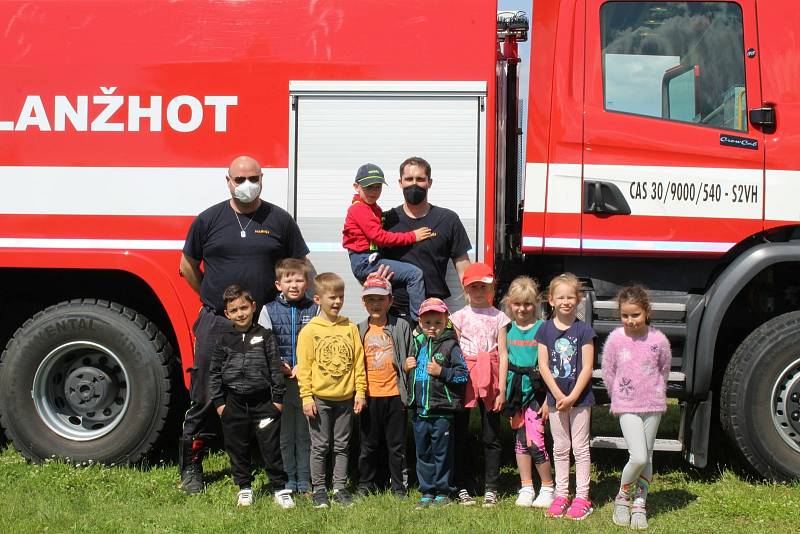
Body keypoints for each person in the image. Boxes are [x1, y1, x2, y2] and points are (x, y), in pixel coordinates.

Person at [178, 155, 310, 494]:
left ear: (262, 179)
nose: (246, 184)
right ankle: (192, 467)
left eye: (253, 177)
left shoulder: (279, 220)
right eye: (239, 179)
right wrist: (211, 298)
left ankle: (271, 466)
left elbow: (299, 265)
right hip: (217, 322)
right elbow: (188, 265)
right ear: (228, 181)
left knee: (266, 393)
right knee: (206, 393)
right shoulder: (208, 220)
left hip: (263, 326)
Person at [208, 285, 293, 508]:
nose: (240, 313)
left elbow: (276, 369)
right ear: (227, 314)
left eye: (244, 308)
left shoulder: (265, 336)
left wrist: (277, 401)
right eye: (234, 310)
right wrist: (220, 404)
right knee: (237, 448)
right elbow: (214, 372)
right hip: (233, 404)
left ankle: (279, 488)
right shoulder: (224, 339)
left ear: (253, 307)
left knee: (271, 447)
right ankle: (244, 487)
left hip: (265, 403)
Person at [602, 286, 671, 530]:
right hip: (627, 405)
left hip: (652, 404)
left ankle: (640, 501)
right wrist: (619, 397)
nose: (630, 321)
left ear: (647, 312)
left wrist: (655, 393)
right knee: (638, 455)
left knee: (648, 457)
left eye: (635, 315)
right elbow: (608, 371)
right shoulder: (615, 340)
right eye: (625, 315)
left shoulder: (658, 340)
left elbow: (664, 369)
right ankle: (623, 497)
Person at [296, 272, 367, 509]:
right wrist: (306, 396)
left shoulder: (350, 328)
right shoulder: (309, 331)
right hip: (320, 399)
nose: (337, 302)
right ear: (317, 299)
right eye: (332, 298)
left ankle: (339, 487)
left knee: (342, 445)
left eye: (341, 297)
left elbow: (358, 361)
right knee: (320, 445)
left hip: (346, 398)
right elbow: (304, 367)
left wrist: (360, 392)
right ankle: (318, 490)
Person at [449, 262, 510, 507]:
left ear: (491, 289)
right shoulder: (459, 316)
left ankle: (491, 487)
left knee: (491, 434)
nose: (478, 291)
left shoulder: (499, 317)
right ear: (466, 290)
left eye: (483, 287)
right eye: (473, 287)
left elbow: (503, 353)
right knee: (460, 433)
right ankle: (462, 484)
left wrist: (502, 388)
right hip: (466, 377)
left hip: (491, 377)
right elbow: (453, 350)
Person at [535, 273, 596, 520]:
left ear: (578, 299)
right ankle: (561, 495)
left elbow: (587, 368)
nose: (566, 301)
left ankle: (582, 497)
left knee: (580, 448)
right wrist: (559, 395)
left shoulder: (584, 330)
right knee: (560, 448)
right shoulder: (545, 330)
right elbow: (543, 365)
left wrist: (572, 397)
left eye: (571, 297)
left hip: (580, 400)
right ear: (551, 300)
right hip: (556, 399)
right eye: (560, 297)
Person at [381, 156, 472, 318]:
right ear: (400, 182)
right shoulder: (386, 220)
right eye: (409, 179)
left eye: (420, 179)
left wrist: (474, 309)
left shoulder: (448, 219)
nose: (414, 184)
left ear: (429, 182)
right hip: (394, 313)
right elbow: (368, 262)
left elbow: (464, 268)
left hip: (433, 313)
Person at [258, 258, 319, 495]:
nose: (293, 285)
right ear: (278, 284)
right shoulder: (268, 310)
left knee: (305, 434)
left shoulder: (314, 309)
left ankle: (304, 481)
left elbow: (319, 342)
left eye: (299, 280)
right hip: (280, 382)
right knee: (284, 434)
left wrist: (303, 365)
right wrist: (278, 365)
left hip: (306, 382)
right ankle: (287, 480)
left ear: (307, 283)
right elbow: (264, 342)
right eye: (288, 280)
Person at [342, 163, 432, 321]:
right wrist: (412, 236)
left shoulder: (371, 207)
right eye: (369, 187)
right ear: (356, 186)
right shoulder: (360, 209)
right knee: (414, 274)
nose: (374, 191)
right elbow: (380, 237)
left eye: (378, 187)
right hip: (365, 262)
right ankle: (420, 320)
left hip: (368, 259)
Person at [405, 298, 469, 509]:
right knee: (423, 453)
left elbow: (463, 376)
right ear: (420, 323)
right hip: (419, 411)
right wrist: (408, 366)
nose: (432, 328)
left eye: (437, 322)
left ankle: (444, 491)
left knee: (442, 454)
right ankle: (427, 491)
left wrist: (442, 372)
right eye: (427, 323)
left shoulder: (451, 345)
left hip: (442, 412)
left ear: (446, 321)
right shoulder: (416, 344)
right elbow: (411, 377)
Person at [356, 275, 414, 497]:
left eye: (380, 299)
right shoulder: (360, 330)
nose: (376, 304)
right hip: (369, 396)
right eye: (370, 299)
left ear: (390, 300)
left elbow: (410, 355)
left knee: (396, 446)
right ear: (364, 302)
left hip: (395, 395)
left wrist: (409, 368)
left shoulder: (401, 326)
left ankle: (399, 486)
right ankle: (366, 484)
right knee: (368, 445)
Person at [500, 276, 555, 509]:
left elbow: (550, 364)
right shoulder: (506, 329)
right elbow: (503, 358)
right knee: (520, 440)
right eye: (517, 304)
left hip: (536, 392)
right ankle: (526, 486)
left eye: (528, 304)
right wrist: (501, 390)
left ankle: (548, 486)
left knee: (535, 440)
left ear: (537, 303)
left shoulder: (543, 329)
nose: (522, 309)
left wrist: (548, 400)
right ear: (509, 304)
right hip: (515, 393)